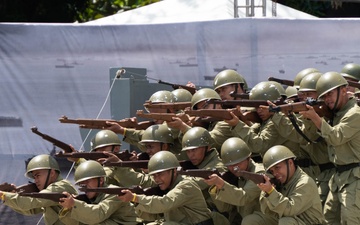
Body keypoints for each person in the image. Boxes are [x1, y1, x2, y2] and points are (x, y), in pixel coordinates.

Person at [300, 71, 360, 224]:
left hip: (355, 177)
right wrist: (308, 118)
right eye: (324, 96)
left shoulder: (355, 113)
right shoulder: (336, 114)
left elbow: (336, 137)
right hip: (339, 176)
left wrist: (315, 118)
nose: (327, 100)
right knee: (328, 219)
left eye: (330, 94)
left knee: (350, 220)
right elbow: (312, 137)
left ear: (344, 90)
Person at [118, 151, 217, 225]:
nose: (157, 179)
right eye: (154, 175)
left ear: (174, 171)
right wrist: (134, 203)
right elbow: (157, 215)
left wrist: (135, 198)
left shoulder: (186, 185)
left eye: (160, 174)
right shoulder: (169, 186)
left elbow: (165, 203)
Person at [242, 145, 324, 225]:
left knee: (286, 222)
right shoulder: (280, 181)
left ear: (290, 163)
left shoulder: (305, 183)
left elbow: (290, 210)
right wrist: (266, 192)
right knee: (251, 220)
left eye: (277, 167)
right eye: (272, 171)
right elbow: (267, 211)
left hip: (307, 222)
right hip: (286, 219)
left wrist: (271, 191)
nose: (275, 173)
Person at [0, 154, 78, 225]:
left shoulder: (61, 187)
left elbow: (33, 201)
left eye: (38, 176)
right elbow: (31, 209)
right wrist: (9, 196)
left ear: (52, 173)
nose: (36, 181)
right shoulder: (49, 193)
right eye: (34, 177)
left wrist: (4, 195)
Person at [59, 160, 141, 225]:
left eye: (87, 181)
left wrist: (74, 204)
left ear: (101, 180)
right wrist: (69, 207)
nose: (84, 186)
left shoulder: (114, 192)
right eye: (81, 183)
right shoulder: (91, 196)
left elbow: (97, 215)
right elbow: (74, 222)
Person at [204, 137, 264, 224]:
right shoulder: (237, 176)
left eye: (238, 163)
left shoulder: (259, 173)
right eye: (230, 165)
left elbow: (244, 197)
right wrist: (216, 187)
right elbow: (224, 208)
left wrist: (221, 183)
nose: (234, 168)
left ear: (248, 158)